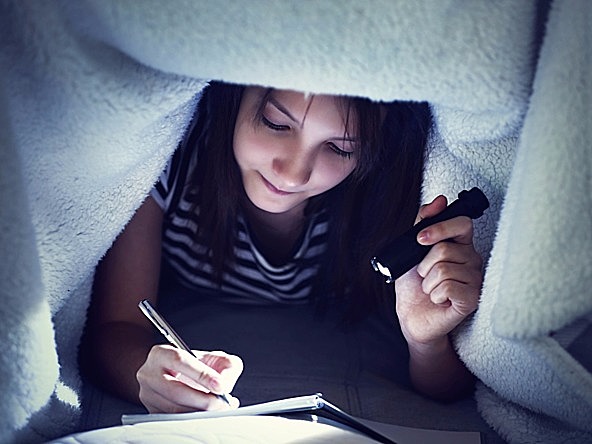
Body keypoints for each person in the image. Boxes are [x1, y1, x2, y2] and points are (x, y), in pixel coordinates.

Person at [81, 82, 483, 414]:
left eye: (340, 148)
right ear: (234, 96)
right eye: (276, 124)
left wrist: (424, 340)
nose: (292, 173)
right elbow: (115, 329)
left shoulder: (386, 199)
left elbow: (447, 391)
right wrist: (145, 375)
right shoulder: (172, 160)